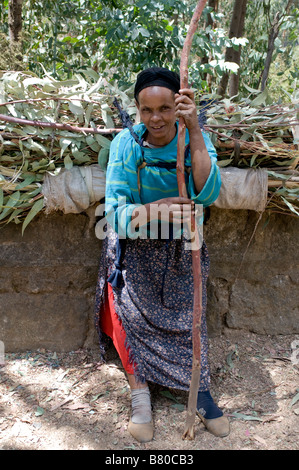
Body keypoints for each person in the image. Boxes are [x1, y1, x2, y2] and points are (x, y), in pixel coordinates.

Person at [94, 67, 229, 443]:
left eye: (166, 109)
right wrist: (156, 210)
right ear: (136, 109)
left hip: (183, 249)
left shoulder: (193, 138)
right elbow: (115, 215)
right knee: (124, 309)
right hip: (134, 249)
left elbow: (209, 192)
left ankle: (196, 390)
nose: (156, 118)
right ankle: (140, 394)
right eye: (146, 109)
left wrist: (196, 132)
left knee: (190, 318)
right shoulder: (126, 144)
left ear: (178, 107)